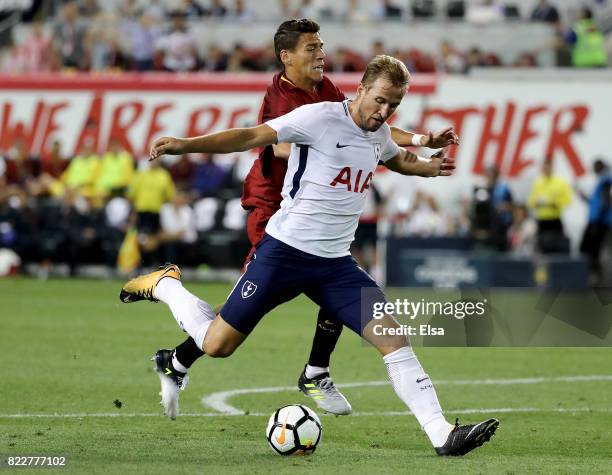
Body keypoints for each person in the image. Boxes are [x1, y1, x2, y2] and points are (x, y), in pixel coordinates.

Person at [121, 54, 499, 456]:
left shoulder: (380, 132)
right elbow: (250, 136)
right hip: (283, 253)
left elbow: (395, 158)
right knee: (217, 345)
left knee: (394, 339)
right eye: (380, 100)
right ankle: (166, 284)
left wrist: (427, 166)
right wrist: (185, 145)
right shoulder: (319, 118)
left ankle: (442, 434)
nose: (384, 111)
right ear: (361, 90)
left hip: (335, 266)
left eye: (393, 105)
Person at [527, 159, 573, 253]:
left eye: (548, 167)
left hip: (554, 219)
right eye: (544, 167)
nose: (546, 169)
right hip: (542, 220)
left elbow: (568, 199)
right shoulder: (538, 183)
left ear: (552, 167)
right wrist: (536, 203)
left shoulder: (560, 183)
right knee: (541, 247)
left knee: (557, 246)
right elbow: (531, 200)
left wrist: (556, 204)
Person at [578, 159, 611, 283]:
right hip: (597, 220)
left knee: (591, 249)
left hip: (599, 222)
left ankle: (596, 276)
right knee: (590, 249)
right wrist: (584, 198)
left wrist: (597, 220)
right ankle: (594, 275)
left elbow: (605, 200)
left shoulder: (605, 179)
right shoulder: (600, 181)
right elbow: (596, 202)